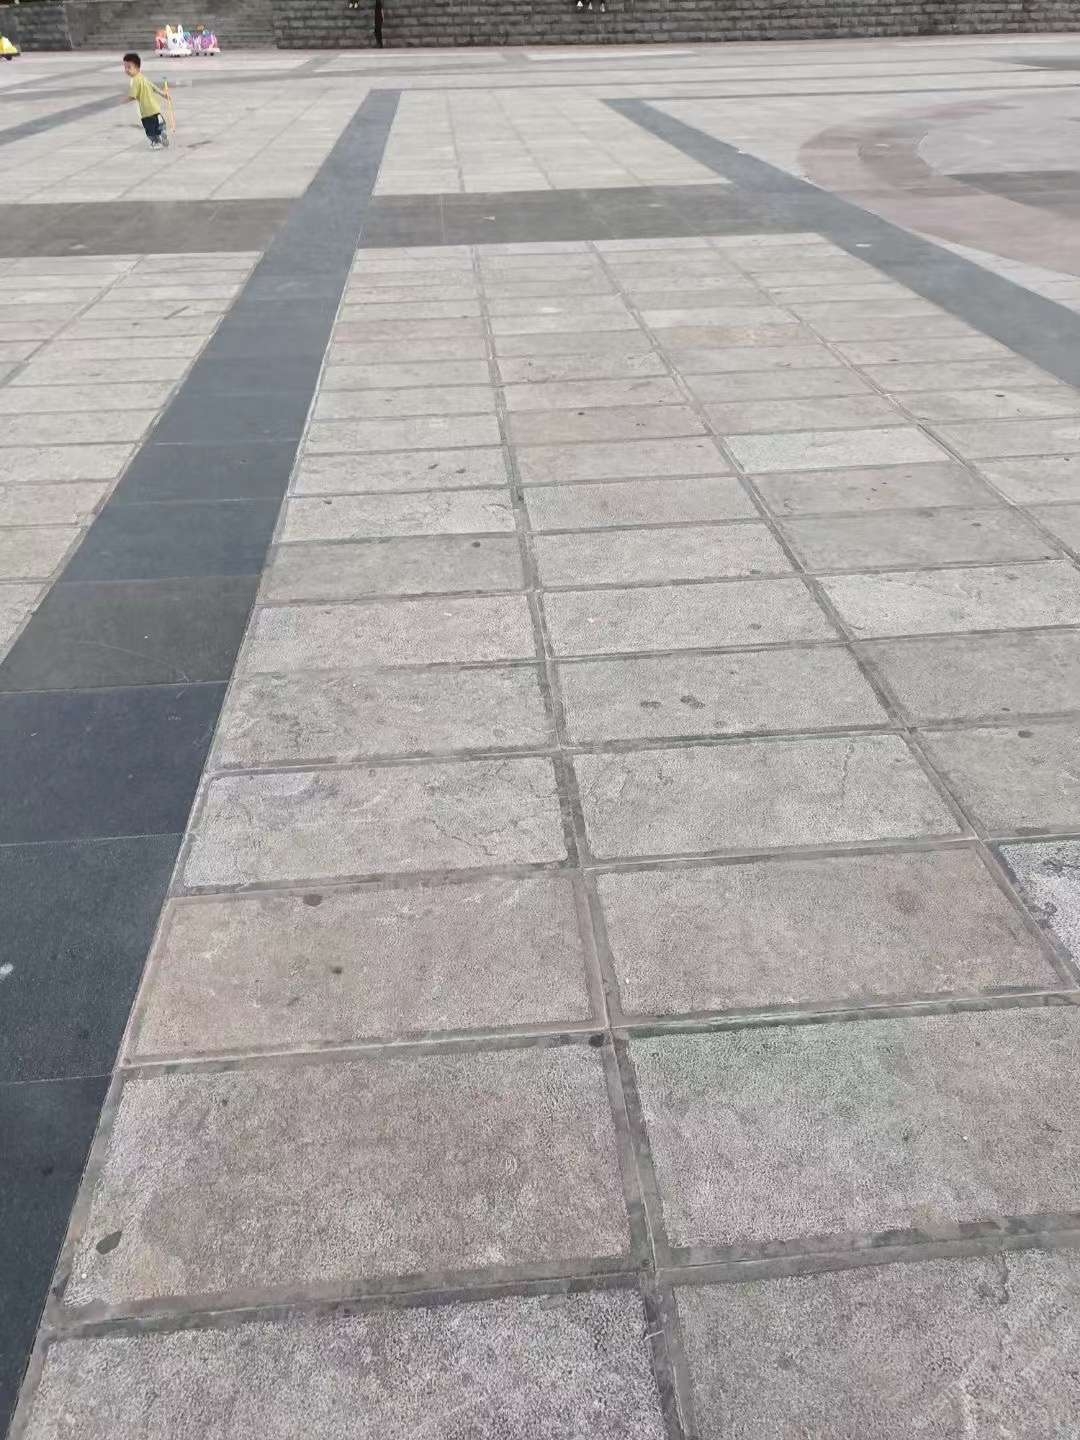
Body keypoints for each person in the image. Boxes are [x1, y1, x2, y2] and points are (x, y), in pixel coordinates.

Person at [122, 52, 170, 148]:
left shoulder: (135, 80)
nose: (126, 70)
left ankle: (156, 142)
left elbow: (133, 95)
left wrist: (126, 100)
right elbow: (153, 87)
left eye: (129, 67)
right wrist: (163, 94)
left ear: (137, 68)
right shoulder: (143, 77)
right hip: (154, 107)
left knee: (150, 130)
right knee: (157, 122)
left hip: (146, 111)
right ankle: (162, 130)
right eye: (125, 67)